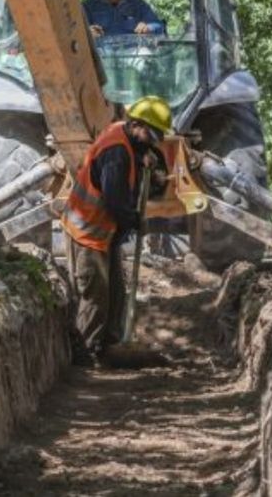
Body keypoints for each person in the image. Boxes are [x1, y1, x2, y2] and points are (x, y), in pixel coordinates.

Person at [60, 95, 170, 364]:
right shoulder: (117, 153)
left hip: (105, 233)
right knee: (96, 294)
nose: (153, 142)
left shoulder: (128, 138)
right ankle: (85, 354)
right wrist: (135, 221)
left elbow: (137, 165)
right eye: (151, 136)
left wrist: (151, 166)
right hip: (88, 232)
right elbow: (115, 201)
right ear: (137, 125)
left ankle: (109, 345)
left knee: (117, 293)